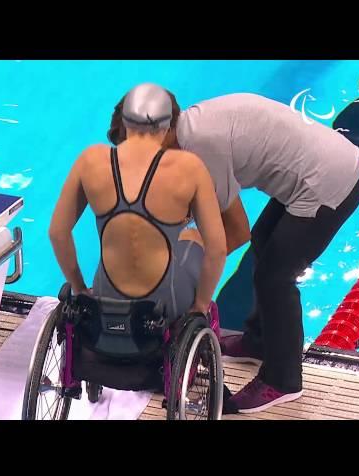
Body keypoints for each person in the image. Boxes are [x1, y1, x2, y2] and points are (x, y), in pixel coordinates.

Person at [108, 91, 359, 413]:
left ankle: (282, 381)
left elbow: (233, 232)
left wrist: (194, 292)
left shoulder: (202, 146)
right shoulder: (188, 127)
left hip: (329, 182)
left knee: (275, 278)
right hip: (317, 164)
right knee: (264, 245)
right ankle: (258, 341)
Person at [49, 83, 226, 331]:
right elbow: (218, 250)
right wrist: (200, 305)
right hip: (165, 306)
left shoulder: (90, 160)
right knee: (194, 237)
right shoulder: (190, 168)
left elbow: (57, 232)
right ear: (169, 126)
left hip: (104, 296)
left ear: (124, 120)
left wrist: (79, 288)